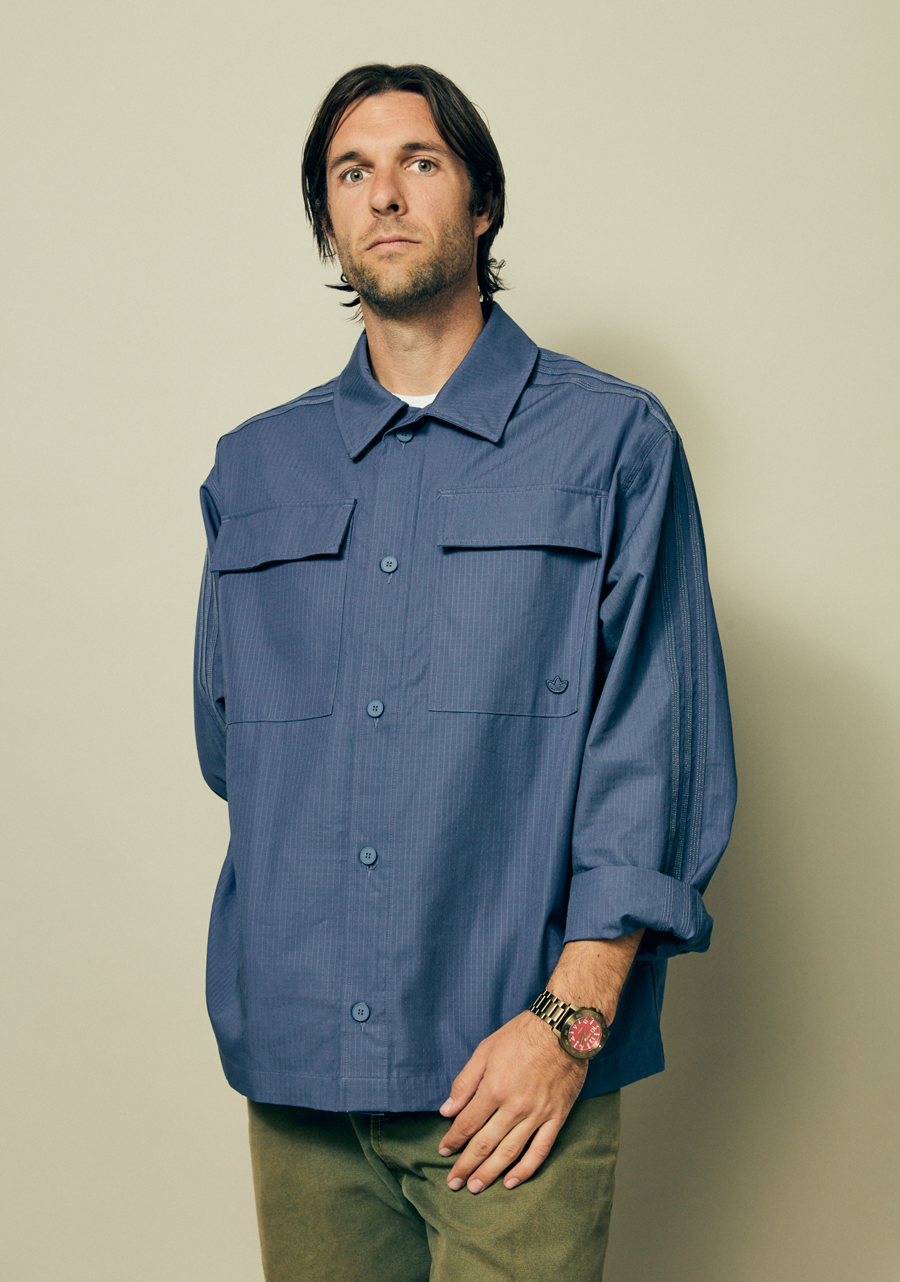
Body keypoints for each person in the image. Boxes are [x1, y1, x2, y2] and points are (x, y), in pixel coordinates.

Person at [193, 62, 736, 1282]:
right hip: (298, 1076)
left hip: (513, 1076)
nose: (384, 194)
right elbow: (235, 754)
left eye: (419, 162)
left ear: (481, 203)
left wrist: (567, 1024)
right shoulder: (254, 471)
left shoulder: (615, 444)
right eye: (352, 172)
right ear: (329, 220)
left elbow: (658, 752)